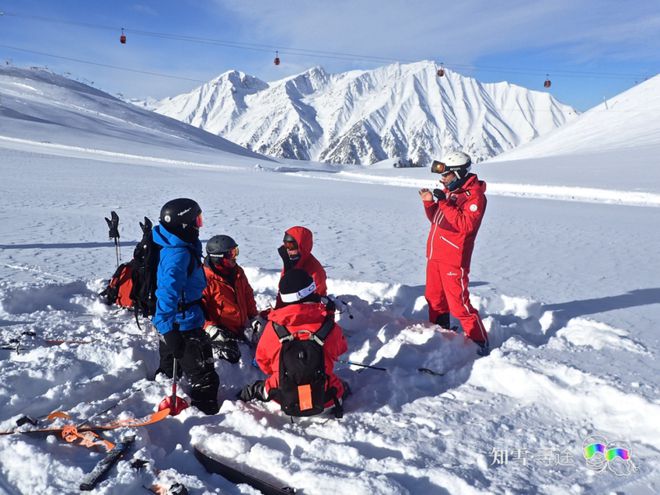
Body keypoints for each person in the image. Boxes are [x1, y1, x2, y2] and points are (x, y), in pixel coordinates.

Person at [240, 269, 349, 416]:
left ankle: (249, 394)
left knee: (262, 386)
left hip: (283, 398)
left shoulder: (273, 328)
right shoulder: (328, 326)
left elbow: (263, 362)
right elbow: (341, 348)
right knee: (341, 386)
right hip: (325, 399)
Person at [418, 151, 490, 356]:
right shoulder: (451, 192)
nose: (442, 179)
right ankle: (441, 332)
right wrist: (429, 202)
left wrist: (443, 202)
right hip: (436, 254)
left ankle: (480, 342)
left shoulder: (474, 197)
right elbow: (438, 219)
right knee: (434, 298)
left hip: (453, 259)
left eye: (446, 174)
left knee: (459, 306)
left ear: (458, 173)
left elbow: (465, 225)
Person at [152, 198, 220, 415]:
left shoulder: (177, 246)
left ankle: (162, 400)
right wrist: (167, 329)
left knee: (170, 371)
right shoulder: (179, 255)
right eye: (196, 221)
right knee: (205, 379)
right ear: (184, 224)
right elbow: (167, 292)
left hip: (180, 321)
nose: (199, 226)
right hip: (182, 327)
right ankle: (205, 421)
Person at [202, 235, 259, 363]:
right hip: (221, 331)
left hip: (241, 327)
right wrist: (210, 328)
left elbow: (247, 295)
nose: (235, 257)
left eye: (235, 252)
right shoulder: (204, 279)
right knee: (232, 357)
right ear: (218, 258)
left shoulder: (238, 272)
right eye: (231, 254)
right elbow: (198, 307)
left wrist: (254, 317)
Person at [275, 226, 327, 308]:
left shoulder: (315, 271)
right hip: (287, 313)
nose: (288, 249)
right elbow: (282, 293)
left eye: (291, 245)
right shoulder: (289, 263)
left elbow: (319, 299)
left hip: (304, 314)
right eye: (286, 244)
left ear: (302, 246)